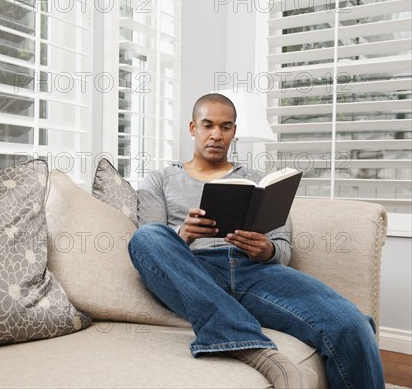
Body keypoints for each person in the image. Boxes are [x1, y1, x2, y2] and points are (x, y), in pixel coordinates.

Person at [128, 93, 385, 389]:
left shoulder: (259, 180)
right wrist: (183, 235)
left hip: (255, 272)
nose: (216, 135)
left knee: (351, 323)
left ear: (234, 131)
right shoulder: (160, 179)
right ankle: (256, 350)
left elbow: (283, 248)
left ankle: (227, 320)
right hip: (193, 272)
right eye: (208, 125)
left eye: (225, 127)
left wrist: (267, 250)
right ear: (192, 128)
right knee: (146, 237)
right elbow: (148, 247)